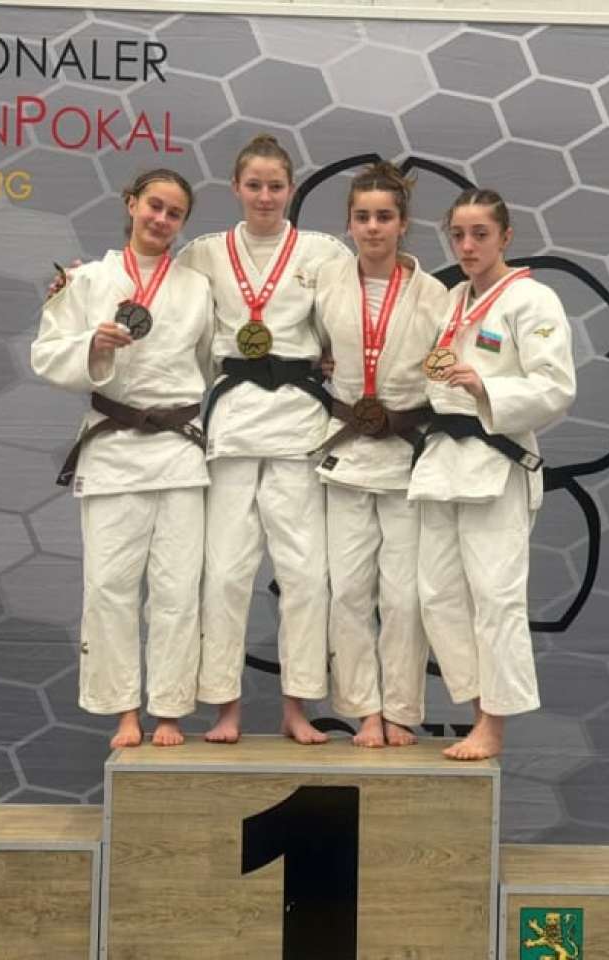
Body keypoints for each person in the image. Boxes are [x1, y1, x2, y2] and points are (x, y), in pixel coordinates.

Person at [176, 135, 350, 744]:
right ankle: (224, 707)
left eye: (276, 186)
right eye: (254, 185)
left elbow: (353, 319)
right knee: (225, 574)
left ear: (291, 188)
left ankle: (296, 706)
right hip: (232, 423)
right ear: (236, 188)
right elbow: (164, 306)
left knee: (304, 575)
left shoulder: (323, 252)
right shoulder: (204, 253)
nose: (266, 196)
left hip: (299, 423)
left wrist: (337, 357)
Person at [32, 169, 213, 749]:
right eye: (154, 205)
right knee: (110, 586)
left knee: (177, 589)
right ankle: (124, 711)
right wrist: (92, 344)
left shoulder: (197, 286)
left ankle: (170, 710)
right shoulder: (85, 280)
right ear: (131, 203)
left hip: (178, 449)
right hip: (112, 448)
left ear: (183, 223)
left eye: (174, 213)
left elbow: (212, 361)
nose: (162, 219)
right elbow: (46, 354)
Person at [408, 188, 576, 761]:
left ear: (506, 236)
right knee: (437, 596)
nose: (467, 245)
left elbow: (556, 387)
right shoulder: (453, 299)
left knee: (496, 598)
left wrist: (486, 387)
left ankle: (494, 724)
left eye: (480, 234)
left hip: (497, 462)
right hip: (442, 462)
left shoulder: (532, 299)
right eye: (457, 235)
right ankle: (477, 706)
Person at [313, 162, 450, 747]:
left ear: (403, 224)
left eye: (384, 217)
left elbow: (448, 367)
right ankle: (362, 709)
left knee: (404, 597)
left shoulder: (434, 295)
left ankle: (399, 709)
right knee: (347, 590)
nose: (373, 227)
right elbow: (301, 341)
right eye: (363, 217)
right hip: (346, 452)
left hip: (406, 456)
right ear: (348, 223)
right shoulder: (325, 282)